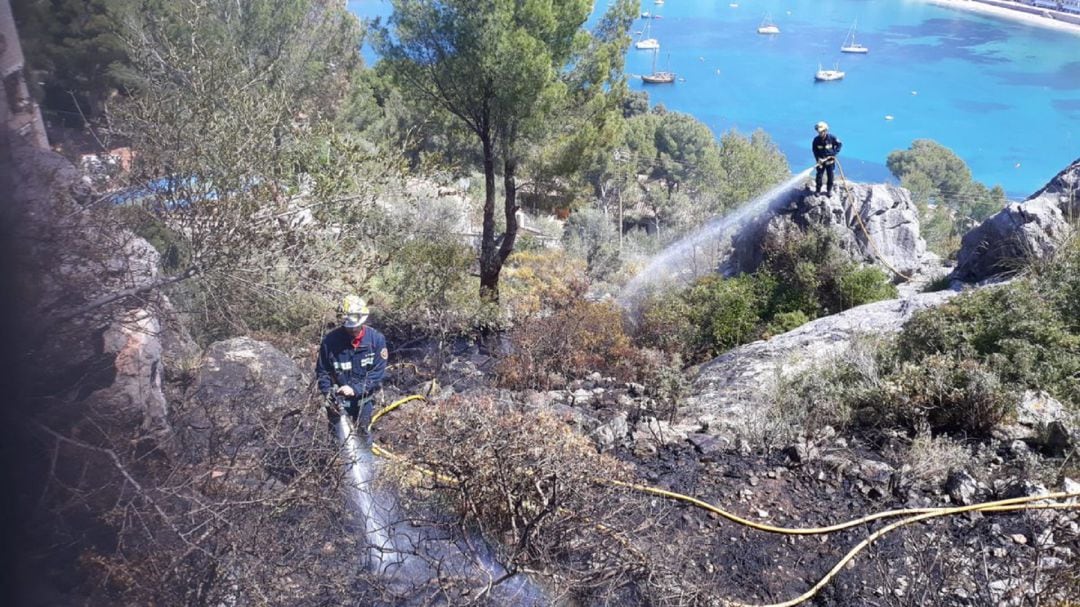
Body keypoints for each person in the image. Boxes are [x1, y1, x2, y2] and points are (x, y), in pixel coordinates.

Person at [316, 295, 388, 440]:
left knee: (363, 436)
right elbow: (322, 371)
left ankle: (366, 461)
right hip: (338, 403)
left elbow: (377, 373)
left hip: (364, 401)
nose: (353, 330)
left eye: (356, 326)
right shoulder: (330, 342)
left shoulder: (376, 340)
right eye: (350, 328)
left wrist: (355, 389)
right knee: (338, 441)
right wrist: (328, 393)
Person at [811, 121, 843, 197]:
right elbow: (814, 150)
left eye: (821, 132)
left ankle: (829, 190)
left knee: (830, 176)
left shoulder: (832, 138)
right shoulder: (816, 140)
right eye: (818, 132)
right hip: (820, 162)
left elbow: (839, 145)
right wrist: (818, 159)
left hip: (830, 161)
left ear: (825, 131)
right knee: (819, 176)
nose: (820, 133)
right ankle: (818, 190)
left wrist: (833, 154)